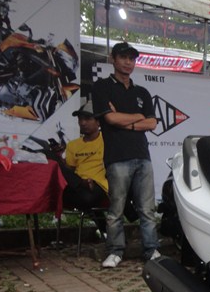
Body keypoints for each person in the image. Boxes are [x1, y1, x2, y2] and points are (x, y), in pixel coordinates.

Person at [92, 41, 160, 268]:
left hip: (143, 156)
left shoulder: (142, 92)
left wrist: (125, 121)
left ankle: (151, 250)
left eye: (131, 58)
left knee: (147, 209)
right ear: (113, 59)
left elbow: (152, 123)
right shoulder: (102, 87)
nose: (128, 62)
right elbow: (110, 119)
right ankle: (115, 251)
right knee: (116, 209)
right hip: (117, 157)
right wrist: (138, 117)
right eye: (123, 57)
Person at [56, 102, 109, 234]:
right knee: (51, 158)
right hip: (78, 185)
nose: (83, 123)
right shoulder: (73, 145)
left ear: (98, 122)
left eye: (87, 119)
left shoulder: (108, 140)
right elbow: (69, 171)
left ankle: (105, 230)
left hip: (99, 184)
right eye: (80, 119)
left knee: (86, 199)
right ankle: (106, 231)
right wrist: (60, 159)